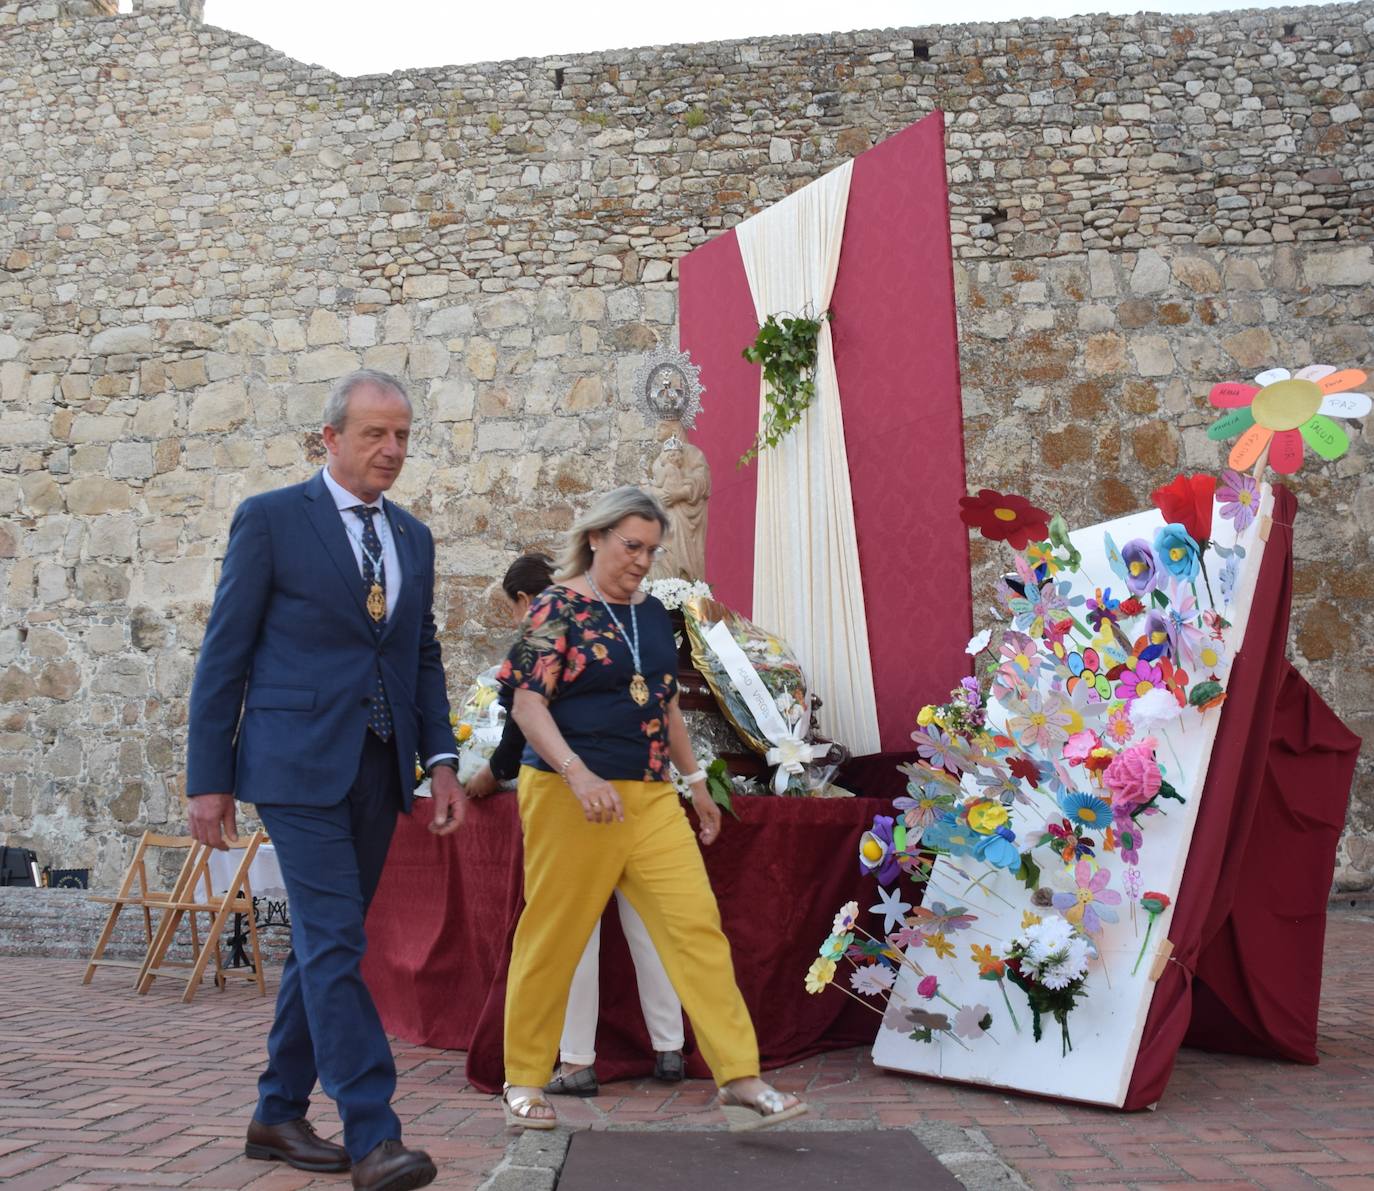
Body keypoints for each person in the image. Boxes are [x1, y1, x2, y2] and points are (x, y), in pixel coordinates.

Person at [186, 369, 464, 1191]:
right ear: (330, 438)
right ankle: (375, 1134)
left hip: (382, 765)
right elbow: (223, 655)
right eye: (375, 433)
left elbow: (420, 656)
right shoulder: (272, 520)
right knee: (339, 940)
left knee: (323, 944)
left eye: (403, 435)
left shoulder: (413, 537)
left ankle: (277, 1109)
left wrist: (441, 760)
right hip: (295, 764)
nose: (392, 449)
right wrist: (210, 779)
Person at [495, 486, 809, 1132]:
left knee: (696, 925)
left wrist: (695, 782)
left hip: (649, 793)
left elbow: (665, 702)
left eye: (651, 549)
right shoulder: (556, 606)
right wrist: (576, 772)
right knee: (553, 934)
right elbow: (527, 704)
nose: (642, 560)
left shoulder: (651, 615)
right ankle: (524, 1079)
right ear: (596, 538)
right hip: (568, 793)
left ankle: (739, 1078)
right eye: (631, 545)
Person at [466, 552, 687, 1097]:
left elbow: (521, 732)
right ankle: (670, 1047)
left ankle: (577, 1060)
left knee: (574, 931)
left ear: (524, 600)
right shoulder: (618, 625)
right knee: (649, 921)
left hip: (575, 795)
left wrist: (491, 776)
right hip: (641, 784)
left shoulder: (544, 631)